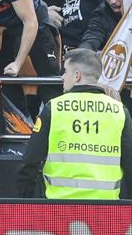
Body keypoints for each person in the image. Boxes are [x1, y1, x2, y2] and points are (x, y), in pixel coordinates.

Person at [18, 48, 132, 199]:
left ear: (77, 75)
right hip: (106, 208)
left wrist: (24, 199)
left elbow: (30, 161)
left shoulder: (54, 107)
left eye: (65, 71)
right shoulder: (119, 110)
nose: (62, 77)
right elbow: (129, 162)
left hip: (60, 205)